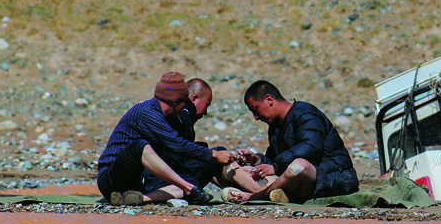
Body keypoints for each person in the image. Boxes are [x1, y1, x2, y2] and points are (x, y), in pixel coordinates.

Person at [96, 72, 236, 205]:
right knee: (139, 146)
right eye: (184, 103)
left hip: (137, 183)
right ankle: (188, 189)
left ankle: (138, 198)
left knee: (189, 180)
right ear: (176, 103)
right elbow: (176, 143)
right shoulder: (147, 112)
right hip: (112, 179)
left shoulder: (161, 115)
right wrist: (213, 154)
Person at [225, 80, 359, 203]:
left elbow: (310, 148)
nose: (255, 117)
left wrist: (276, 167)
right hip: (296, 180)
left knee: (299, 166)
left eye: (255, 109)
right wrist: (256, 161)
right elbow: (275, 160)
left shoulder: (305, 113)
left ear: (269, 99)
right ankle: (278, 194)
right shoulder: (275, 126)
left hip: (335, 177)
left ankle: (255, 196)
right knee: (237, 168)